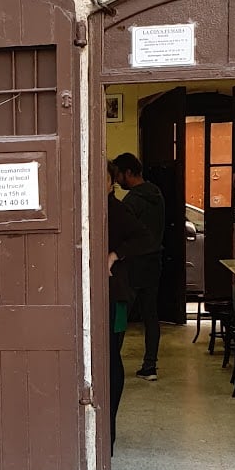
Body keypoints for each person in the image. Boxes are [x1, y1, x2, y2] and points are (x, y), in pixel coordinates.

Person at [107, 163, 155, 451]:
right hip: (102, 295)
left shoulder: (116, 209)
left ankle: (109, 430)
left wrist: (116, 254)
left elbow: (146, 239)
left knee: (112, 357)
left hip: (117, 296)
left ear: (112, 182)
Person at [111, 152, 166, 380]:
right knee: (151, 316)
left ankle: (112, 360)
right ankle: (150, 366)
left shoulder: (131, 202)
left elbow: (124, 235)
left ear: (129, 173)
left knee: (121, 314)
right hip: (154, 262)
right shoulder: (158, 194)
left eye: (119, 175)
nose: (117, 180)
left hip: (132, 265)